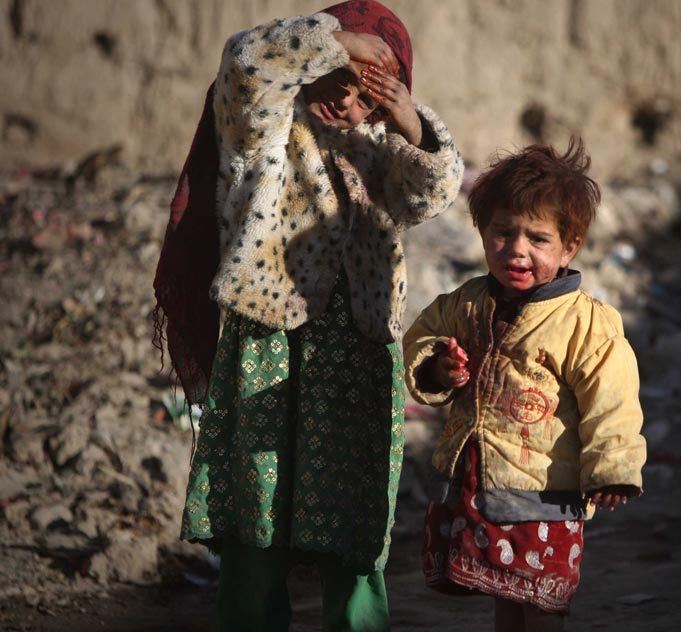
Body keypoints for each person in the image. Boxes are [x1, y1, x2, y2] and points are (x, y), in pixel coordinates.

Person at [152, 1, 464, 630]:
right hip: (267, 339)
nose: (345, 100)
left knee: (353, 514)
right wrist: (336, 39)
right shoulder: (263, 126)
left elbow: (432, 191)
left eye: (365, 89)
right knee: (257, 509)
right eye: (336, 76)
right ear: (312, 64)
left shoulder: (379, 145)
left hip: (356, 350)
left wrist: (411, 122)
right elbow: (245, 61)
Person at [403, 139, 646, 631]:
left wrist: (614, 465)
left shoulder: (585, 323)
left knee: (542, 605)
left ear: (569, 246)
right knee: (506, 595)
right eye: (502, 233)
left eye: (537, 238)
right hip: (484, 486)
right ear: (481, 232)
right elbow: (421, 339)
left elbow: (612, 398)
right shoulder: (466, 304)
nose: (517, 249)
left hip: (547, 497)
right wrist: (437, 369)